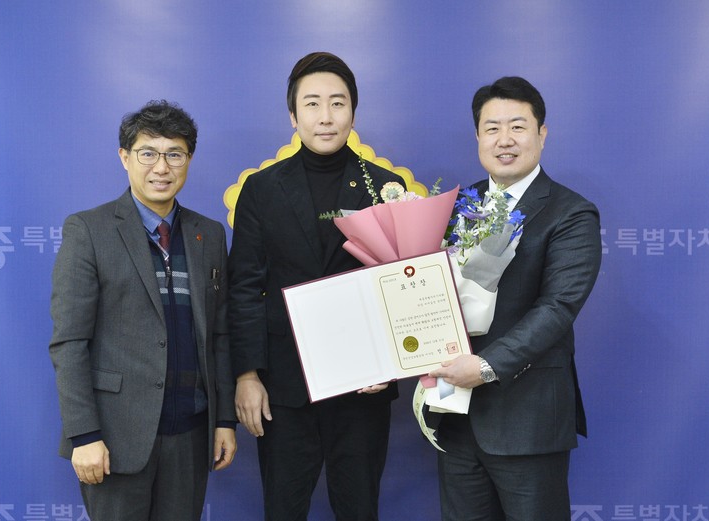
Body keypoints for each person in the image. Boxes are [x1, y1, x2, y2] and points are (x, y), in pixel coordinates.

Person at [229, 52, 406, 521]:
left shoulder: (386, 188)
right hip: (285, 387)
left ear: (353, 112)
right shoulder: (261, 189)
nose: (325, 116)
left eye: (337, 103)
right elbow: (244, 287)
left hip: (364, 384)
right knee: (283, 510)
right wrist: (247, 375)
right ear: (293, 115)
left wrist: (390, 362)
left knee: (359, 508)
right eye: (312, 104)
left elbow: (401, 287)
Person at [49, 100, 236, 520]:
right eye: (148, 153)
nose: (161, 168)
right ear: (125, 157)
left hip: (190, 433)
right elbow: (69, 342)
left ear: (189, 159)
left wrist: (224, 419)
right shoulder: (89, 230)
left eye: (175, 154)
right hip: (114, 438)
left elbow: (220, 336)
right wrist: (84, 434)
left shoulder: (209, 234)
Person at [429, 76, 602, 520]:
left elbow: (557, 308)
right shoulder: (454, 207)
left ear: (542, 134)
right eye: (492, 128)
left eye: (517, 127)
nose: (504, 139)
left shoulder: (571, 212)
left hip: (528, 421)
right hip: (454, 416)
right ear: (477, 137)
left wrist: (485, 367)